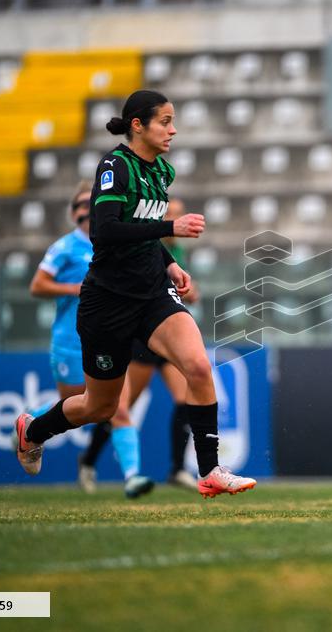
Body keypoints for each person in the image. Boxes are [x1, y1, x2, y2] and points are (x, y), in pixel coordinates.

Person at [13, 89, 256, 499]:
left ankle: (209, 469)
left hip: (152, 293)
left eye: (173, 120)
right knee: (99, 407)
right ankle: (33, 429)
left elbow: (141, 229)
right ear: (138, 125)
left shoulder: (162, 171)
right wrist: (170, 228)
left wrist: (170, 263)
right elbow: (105, 230)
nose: (173, 129)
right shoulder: (115, 166)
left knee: (198, 365)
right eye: (165, 121)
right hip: (107, 301)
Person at [28, 184, 155, 499]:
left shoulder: (114, 245)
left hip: (112, 337)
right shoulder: (65, 248)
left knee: (118, 408)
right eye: (81, 205)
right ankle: (29, 424)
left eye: (91, 203)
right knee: (83, 406)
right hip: (71, 341)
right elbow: (38, 285)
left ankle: (133, 477)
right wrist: (73, 289)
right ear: (74, 214)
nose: (87, 209)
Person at [78, 199, 201, 491]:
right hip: (145, 336)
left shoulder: (177, 250)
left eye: (178, 213)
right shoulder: (146, 243)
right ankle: (89, 460)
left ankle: (177, 469)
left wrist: (190, 292)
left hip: (169, 334)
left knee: (185, 399)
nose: (175, 218)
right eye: (170, 213)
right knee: (118, 406)